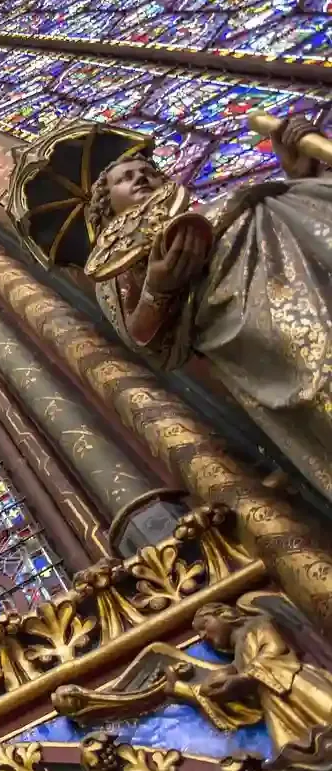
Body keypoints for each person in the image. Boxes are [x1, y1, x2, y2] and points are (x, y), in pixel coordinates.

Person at [85, 116, 332, 501]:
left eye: (149, 170)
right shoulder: (116, 270)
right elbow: (143, 339)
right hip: (239, 317)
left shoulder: (221, 206)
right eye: (125, 177)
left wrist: (299, 177)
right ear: (105, 208)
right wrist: (158, 285)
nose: (141, 177)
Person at [192, 602, 332, 771]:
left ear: (222, 614)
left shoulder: (258, 624)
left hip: (294, 682)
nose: (202, 636)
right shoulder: (238, 658)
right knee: (297, 753)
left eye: (204, 625)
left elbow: (275, 649)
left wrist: (244, 677)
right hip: (275, 705)